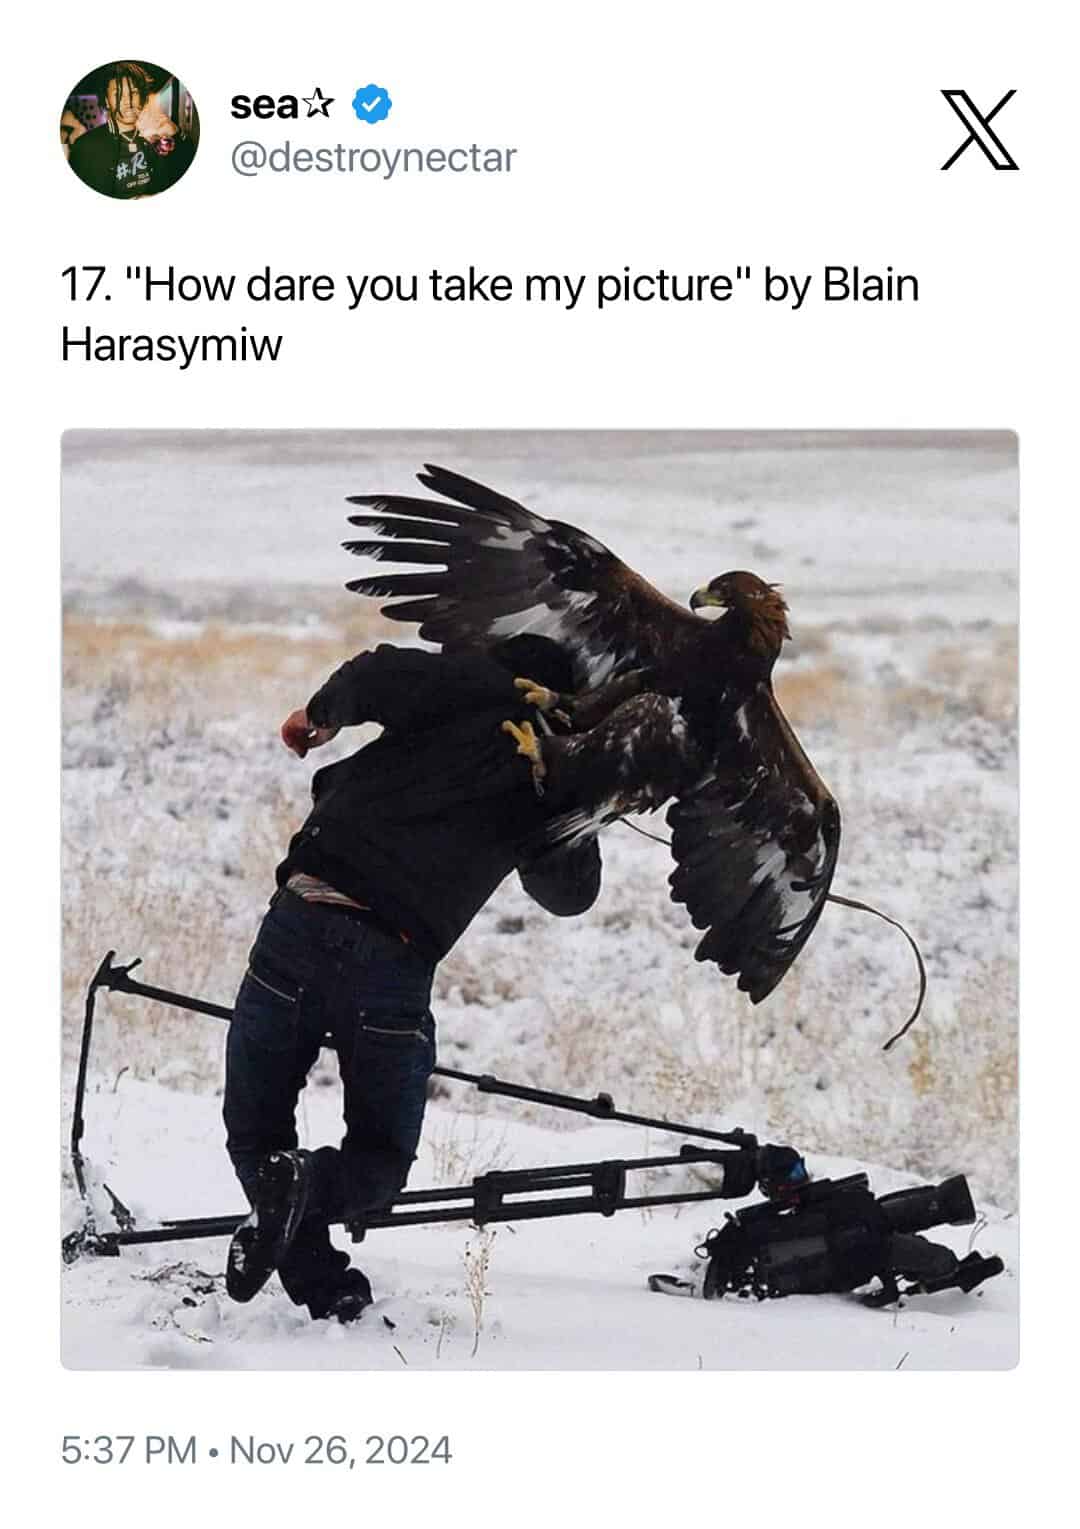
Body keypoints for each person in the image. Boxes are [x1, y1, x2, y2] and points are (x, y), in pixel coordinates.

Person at [224, 636, 601, 1323]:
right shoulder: (548, 764)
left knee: (255, 1131)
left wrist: (319, 713)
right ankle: (316, 1257)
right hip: (390, 962)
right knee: (380, 1159)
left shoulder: (468, 682)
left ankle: (300, 1223)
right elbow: (571, 893)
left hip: (300, 918)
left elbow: (376, 673)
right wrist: (573, 793)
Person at [67, 62, 196, 199]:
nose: (128, 101)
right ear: (107, 101)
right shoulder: (85, 146)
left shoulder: (156, 136)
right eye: (118, 94)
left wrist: (176, 133)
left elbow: (184, 168)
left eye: (134, 92)